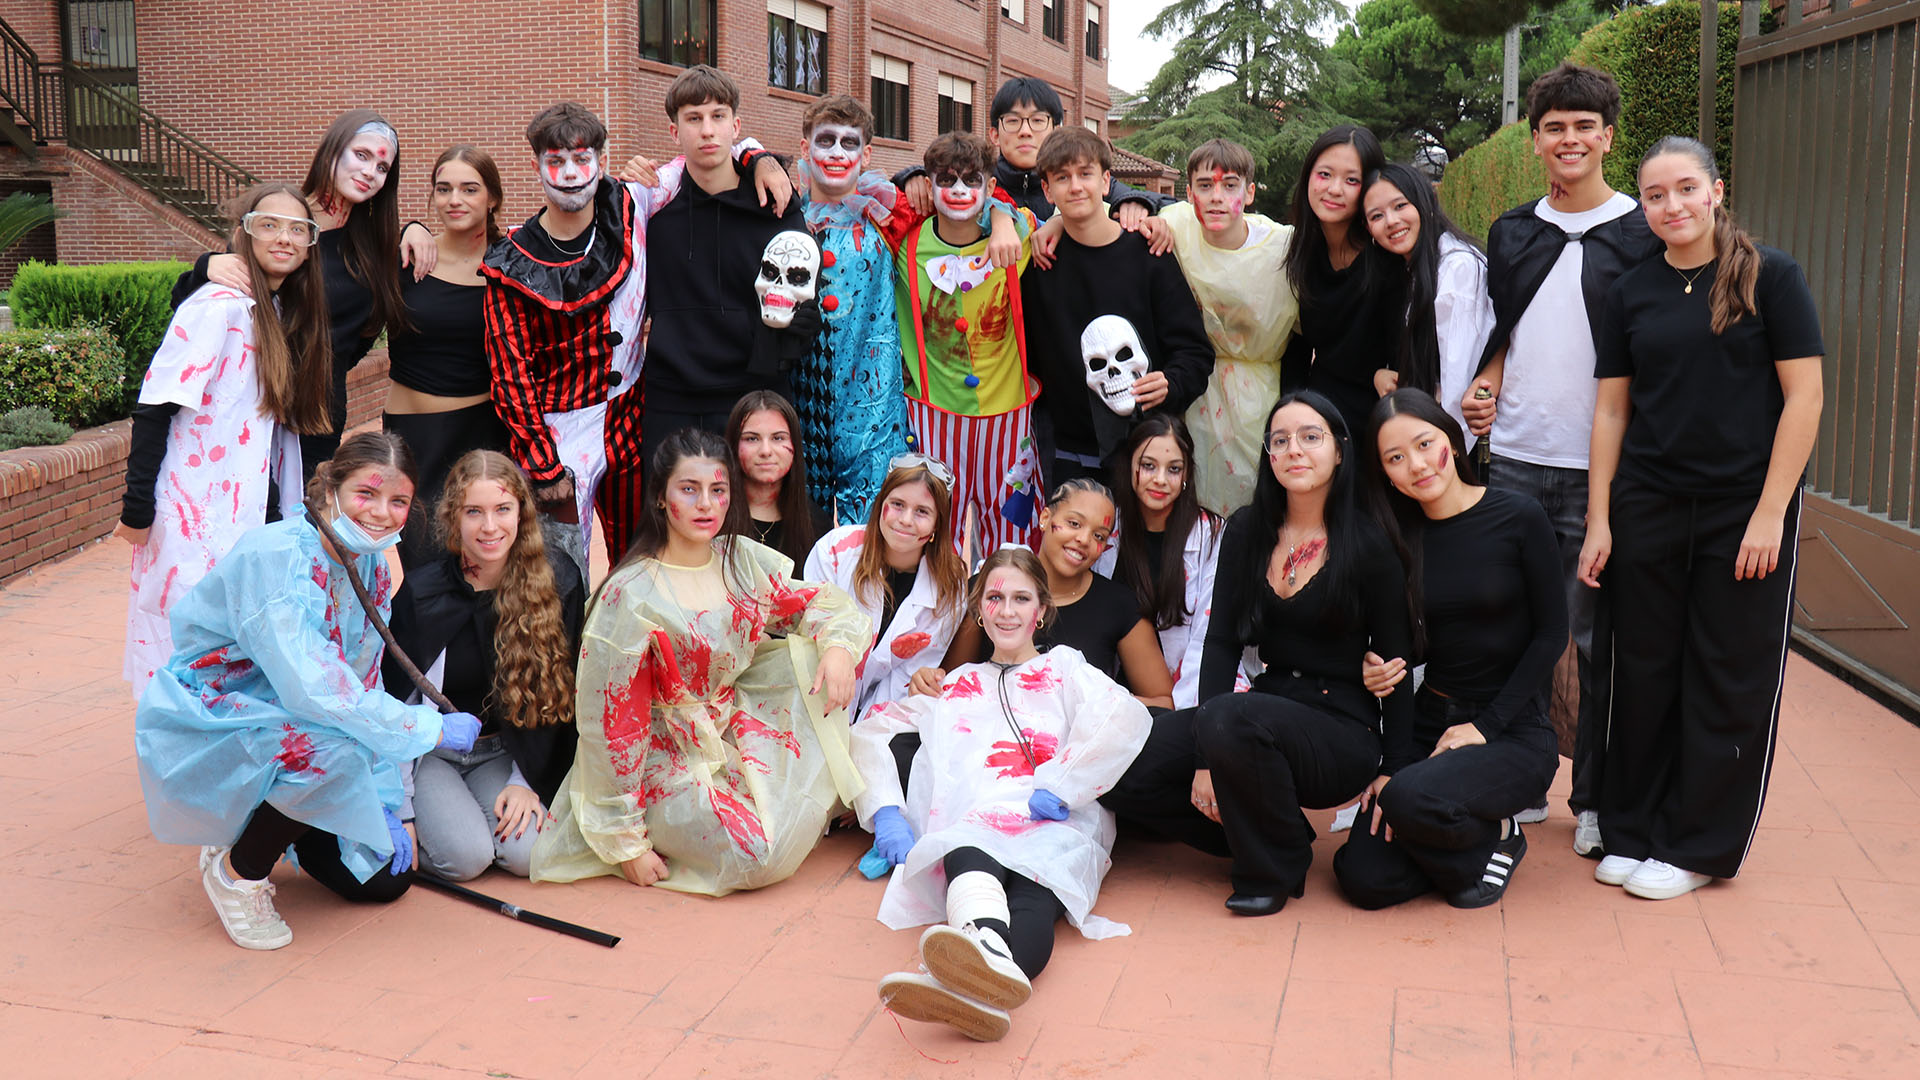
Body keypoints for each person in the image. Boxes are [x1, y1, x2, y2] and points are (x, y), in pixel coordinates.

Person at [1577, 136, 1823, 901]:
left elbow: (1805, 398)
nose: (1672, 205)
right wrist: (1599, 519)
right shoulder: (1631, 290)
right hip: (1647, 504)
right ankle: (1632, 830)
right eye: (1655, 195)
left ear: (1716, 190)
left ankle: (1696, 845)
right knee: (1643, 671)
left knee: (1726, 674)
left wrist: (1771, 512)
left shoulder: (1772, 277)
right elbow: (1611, 411)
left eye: (1686, 188)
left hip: (1743, 511)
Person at [135, 432, 482, 950]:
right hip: (218, 717)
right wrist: (427, 728)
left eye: (398, 501)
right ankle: (237, 874)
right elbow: (319, 693)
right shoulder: (277, 559)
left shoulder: (368, 565)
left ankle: (263, 825)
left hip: (297, 722)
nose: (381, 513)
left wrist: (387, 800)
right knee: (334, 751)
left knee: (383, 880)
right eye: (367, 493)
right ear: (332, 487)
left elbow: (362, 681)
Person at [1101, 390, 1416, 916]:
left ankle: (1270, 869)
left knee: (1227, 716)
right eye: (1281, 440)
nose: (1295, 449)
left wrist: (1394, 770)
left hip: (1341, 731)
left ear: (1339, 450)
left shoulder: (1368, 543)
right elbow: (1222, 641)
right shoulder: (1249, 529)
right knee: (1119, 766)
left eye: (1310, 437)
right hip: (1262, 706)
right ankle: (1274, 830)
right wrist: (1205, 759)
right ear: (1269, 455)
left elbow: (1395, 668)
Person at [529, 428, 872, 895]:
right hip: (659, 755)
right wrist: (626, 844)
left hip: (728, 726)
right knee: (756, 853)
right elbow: (612, 727)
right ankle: (656, 827)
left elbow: (819, 603)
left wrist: (838, 648)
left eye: (718, 490)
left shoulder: (738, 562)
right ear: (660, 497)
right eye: (689, 489)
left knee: (816, 660)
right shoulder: (631, 596)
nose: (706, 504)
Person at [1462, 64, 1664, 854]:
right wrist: (1485, 385)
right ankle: (1520, 783)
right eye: (1555, 127)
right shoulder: (1513, 230)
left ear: (1608, 137)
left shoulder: (1643, 232)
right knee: (1513, 633)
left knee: (1593, 639)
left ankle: (1595, 799)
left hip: (1600, 474)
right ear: (1536, 138)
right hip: (1513, 460)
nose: (1570, 139)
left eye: (1585, 126)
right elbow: (1506, 331)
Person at [854, 547, 1151, 1042]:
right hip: (979, 824)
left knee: (1035, 896)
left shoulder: (1065, 669)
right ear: (978, 609)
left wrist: (1063, 783)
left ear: (1042, 610)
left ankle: (963, 977)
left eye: (1021, 598)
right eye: (994, 598)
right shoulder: (956, 684)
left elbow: (1121, 716)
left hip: (1057, 822)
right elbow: (870, 732)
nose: (1007, 611)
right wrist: (885, 809)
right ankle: (985, 974)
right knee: (968, 849)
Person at [485, 98, 789, 579]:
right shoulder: (512, 261)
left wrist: (759, 157)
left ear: (602, 161)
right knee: (554, 576)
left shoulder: (633, 202)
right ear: (536, 165)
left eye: (582, 159)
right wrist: (543, 465)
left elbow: (706, 150)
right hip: (556, 435)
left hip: (631, 422)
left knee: (642, 563)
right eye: (556, 161)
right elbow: (509, 376)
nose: (570, 173)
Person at [1336, 390, 1564, 910]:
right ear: (1385, 474)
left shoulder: (1518, 516)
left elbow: (1552, 633)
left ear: (1452, 441)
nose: (1416, 465)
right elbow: (1403, 649)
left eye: (1424, 444)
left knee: (1409, 799)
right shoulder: (1397, 540)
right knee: (1364, 877)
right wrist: (1371, 667)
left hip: (1511, 730)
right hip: (1430, 723)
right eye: (1396, 458)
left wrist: (1485, 727)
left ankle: (1501, 832)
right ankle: (1454, 838)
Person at [118, 183, 332, 695]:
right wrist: (136, 507)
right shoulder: (218, 306)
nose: (283, 238)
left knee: (227, 649)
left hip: (241, 510)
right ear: (244, 234)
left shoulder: (274, 310)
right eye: (269, 225)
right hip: (194, 511)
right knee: (186, 648)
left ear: (309, 246)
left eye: (297, 229)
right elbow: (157, 405)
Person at [174, 110, 436, 469]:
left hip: (316, 419)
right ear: (333, 150)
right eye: (361, 155)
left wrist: (415, 228)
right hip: (246, 410)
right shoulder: (277, 224)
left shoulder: (374, 252)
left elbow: (355, 342)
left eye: (382, 167)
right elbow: (193, 311)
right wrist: (206, 267)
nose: (369, 172)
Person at [385, 451, 584, 881]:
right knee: (466, 859)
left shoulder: (558, 581)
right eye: (473, 511)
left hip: (505, 751)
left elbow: (562, 693)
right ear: (453, 517)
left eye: (502, 509)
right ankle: (454, 829)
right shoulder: (423, 593)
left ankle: (479, 819)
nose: (490, 527)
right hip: (433, 752)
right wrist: (402, 809)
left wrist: (525, 782)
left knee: (527, 856)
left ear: (522, 513)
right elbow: (395, 701)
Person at [637, 65, 819, 472]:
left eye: (718, 116)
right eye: (694, 119)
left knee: (758, 514)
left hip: (754, 399)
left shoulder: (775, 206)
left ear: (735, 126)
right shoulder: (651, 213)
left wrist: (783, 348)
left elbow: (803, 304)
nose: (707, 131)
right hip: (671, 401)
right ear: (674, 132)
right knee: (672, 511)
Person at [1020, 127, 1214, 487]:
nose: (1075, 186)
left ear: (1106, 181)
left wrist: (1172, 383)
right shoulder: (1040, 265)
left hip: (1149, 454)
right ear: (1046, 190)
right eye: (1062, 177)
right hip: (1069, 457)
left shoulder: (1150, 253)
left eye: (1085, 173)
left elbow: (1195, 353)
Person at [890, 130, 1038, 554]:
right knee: (934, 541)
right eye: (946, 179)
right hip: (934, 418)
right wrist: (907, 178)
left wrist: (1004, 218)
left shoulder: (1019, 235)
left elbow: (1062, 218)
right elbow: (864, 192)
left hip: (1008, 419)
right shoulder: (903, 243)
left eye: (971, 180)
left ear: (989, 187)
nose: (958, 190)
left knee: (1014, 537)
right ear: (930, 184)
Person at [1139, 138, 1298, 514]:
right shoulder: (1176, 225)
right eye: (1205, 186)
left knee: (1255, 499)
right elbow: (1100, 212)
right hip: (1196, 390)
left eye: (1229, 186)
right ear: (1188, 193)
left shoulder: (1283, 247)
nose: (1216, 198)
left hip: (1259, 395)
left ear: (1250, 192)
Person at [925, 477, 1175, 710]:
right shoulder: (991, 588)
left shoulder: (1119, 605)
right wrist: (925, 680)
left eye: (1098, 535)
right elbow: (945, 688)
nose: (1083, 539)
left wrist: (1097, 702)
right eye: (1074, 523)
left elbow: (1162, 703)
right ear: (1045, 517)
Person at [385, 146, 512, 569]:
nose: (454, 200)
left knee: (481, 564)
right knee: (423, 567)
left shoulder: (512, 263)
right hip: (414, 438)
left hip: (483, 433)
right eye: (443, 189)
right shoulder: (407, 258)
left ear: (492, 198)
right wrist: (409, 228)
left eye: (469, 189)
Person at [790, 94, 912, 523]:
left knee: (872, 539)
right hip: (801, 407)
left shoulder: (889, 215)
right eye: (826, 141)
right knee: (802, 536)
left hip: (875, 415)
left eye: (849, 143)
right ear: (806, 148)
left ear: (867, 154)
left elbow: (974, 201)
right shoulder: (781, 214)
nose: (837, 153)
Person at [804, 455, 967, 720]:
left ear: (938, 523)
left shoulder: (949, 589)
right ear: (881, 504)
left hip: (880, 723)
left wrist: (859, 735)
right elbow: (810, 635)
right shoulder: (834, 550)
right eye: (898, 505)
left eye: (922, 512)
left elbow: (902, 682)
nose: (906, 520)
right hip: (811, 701)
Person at [893, 75, 1170, 227]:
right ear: (994, 135)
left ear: (1056, 130)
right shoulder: (977, 183)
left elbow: (1169, 204)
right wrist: (912, 176)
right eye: (1013, 121)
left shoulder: (1079, 183)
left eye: (1037, 121)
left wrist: (1135, 202)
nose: (1025, 131)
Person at [1277, 125, 1402, 438]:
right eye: (1325, 175)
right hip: (1318, 418)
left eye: (1351, 180)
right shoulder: (1302, 250)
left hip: (1379, 422)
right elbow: (1298, 346)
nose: (1334, 189)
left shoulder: (1387, 258)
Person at [1093, 414, 1223, 710]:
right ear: (1130, 466)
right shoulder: (1106, 526)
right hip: (1111, 694)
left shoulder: (1212, 535)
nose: (1160, 480)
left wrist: (1183, 709)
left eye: (1173, 469)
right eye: (1148, 466)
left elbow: (1208, 635)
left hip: (1191, 690)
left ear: (1187, 473)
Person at [1362, 163, 1494, 435]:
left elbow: (1458, 385)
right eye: (1377, 216)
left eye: (1400, 206)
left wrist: (1445, 448)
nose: (1391, 221)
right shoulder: (1409, 272)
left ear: (1426, 203)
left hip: (1458, 439)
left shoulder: (1457, 269)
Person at [728, 391, 829, 570]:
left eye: (778, 438)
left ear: (794, 445)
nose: (766, 451)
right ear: (734, 445)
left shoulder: (817, 524)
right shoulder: (713, 518)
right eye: (752, 438)